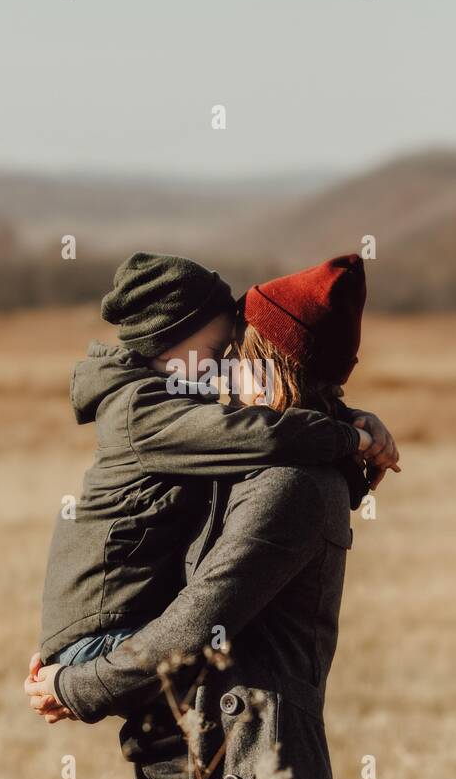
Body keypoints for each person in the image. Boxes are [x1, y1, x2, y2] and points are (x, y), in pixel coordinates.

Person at [27, 253, 400, 779]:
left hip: (219, 754)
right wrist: (351, 432)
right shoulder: (246, 449)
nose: (226, 365)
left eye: (240, 350)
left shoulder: (286, 477)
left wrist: (73, 689)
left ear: (265, 361)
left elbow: (199, 620)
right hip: (192, 743)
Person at [38, 251, 377, 675]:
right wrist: (352, 437)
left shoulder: (174, 399)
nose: (225, 367)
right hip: (101, 632)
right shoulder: (142, 410)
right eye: (217, 350)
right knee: (223, 674)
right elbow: (262, 433)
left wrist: (348, 417)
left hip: (112, 623)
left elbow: (266, 415)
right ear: (166, 342)